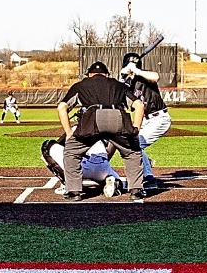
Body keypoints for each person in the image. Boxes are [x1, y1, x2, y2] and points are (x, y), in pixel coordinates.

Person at [55, 61, 146, 201]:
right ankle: (136, 190)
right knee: (132, 152)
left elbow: (61, 107)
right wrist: (136, 129)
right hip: (118, 117)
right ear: (107, 74)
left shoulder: (80, 85)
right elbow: (139, 105)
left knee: (71, 152)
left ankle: (74, 192)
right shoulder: (119, 85)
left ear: (89, 75)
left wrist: (68, 133)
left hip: (93, 119)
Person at [120, 52, 172, 188]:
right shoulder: (128, 84)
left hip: (159, 117)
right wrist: (123, 77)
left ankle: (149, 178)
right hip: (146, 120)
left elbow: (156, 77)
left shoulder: (145, 77)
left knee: (136, 145)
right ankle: (146, 162)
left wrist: (137, 71)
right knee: (129, 143)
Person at [41, 136, 126, 197]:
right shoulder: (103, 129)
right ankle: (109, 180)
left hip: (81, 167)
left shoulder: (76, 128)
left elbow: (58, 143)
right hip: (103, 167)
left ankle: (67, 184)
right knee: (115, 179)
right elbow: (110, 148)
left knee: (47, 147)